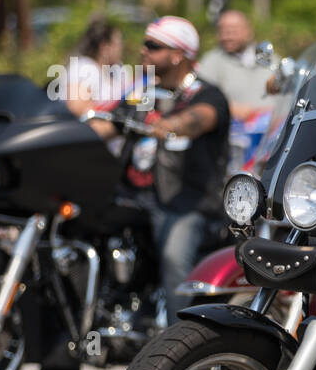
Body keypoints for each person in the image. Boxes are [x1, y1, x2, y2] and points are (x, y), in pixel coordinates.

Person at [93, 17, 230, 322]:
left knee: (174, 256)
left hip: (185, 203)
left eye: (153, 46)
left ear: (178, 55)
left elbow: (198, 120)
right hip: (133, 197)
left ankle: (179, 347)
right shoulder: (141, 94)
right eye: (144, 44)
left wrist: (171, 125)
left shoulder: (207, 95)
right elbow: (104, 124)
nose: (142, 51)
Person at [195, 10, 272, 122]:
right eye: (223, 32)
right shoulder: (211, 61)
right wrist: (228, 107)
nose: (227, 37)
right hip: (234, 133)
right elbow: (200, 96)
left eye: (233, 31)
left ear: (249, 31)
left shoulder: (269, 57)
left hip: (272, 130)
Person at [64, 17, 124, 118]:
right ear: (104, 48)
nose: (121, 48)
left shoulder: (116, 70)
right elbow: (78, 108)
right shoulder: (83, 67)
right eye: (118, 44)